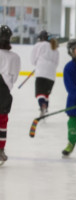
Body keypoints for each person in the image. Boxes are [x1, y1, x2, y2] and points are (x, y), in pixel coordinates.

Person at [0, 25, 21, 164]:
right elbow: (14, 77)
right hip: (5, 92)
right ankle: (0, 150)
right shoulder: (15, 57)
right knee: (2, 121)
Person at [30, 30, 59, 117]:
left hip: (41, 72)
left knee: (39, 93)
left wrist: (38, 64)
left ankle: (42, 105)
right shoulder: (55, 48)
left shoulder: (39, 45)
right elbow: (56, 63)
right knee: (46, 93)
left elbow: (33, 59)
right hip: (51, 75)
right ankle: (45, 106)